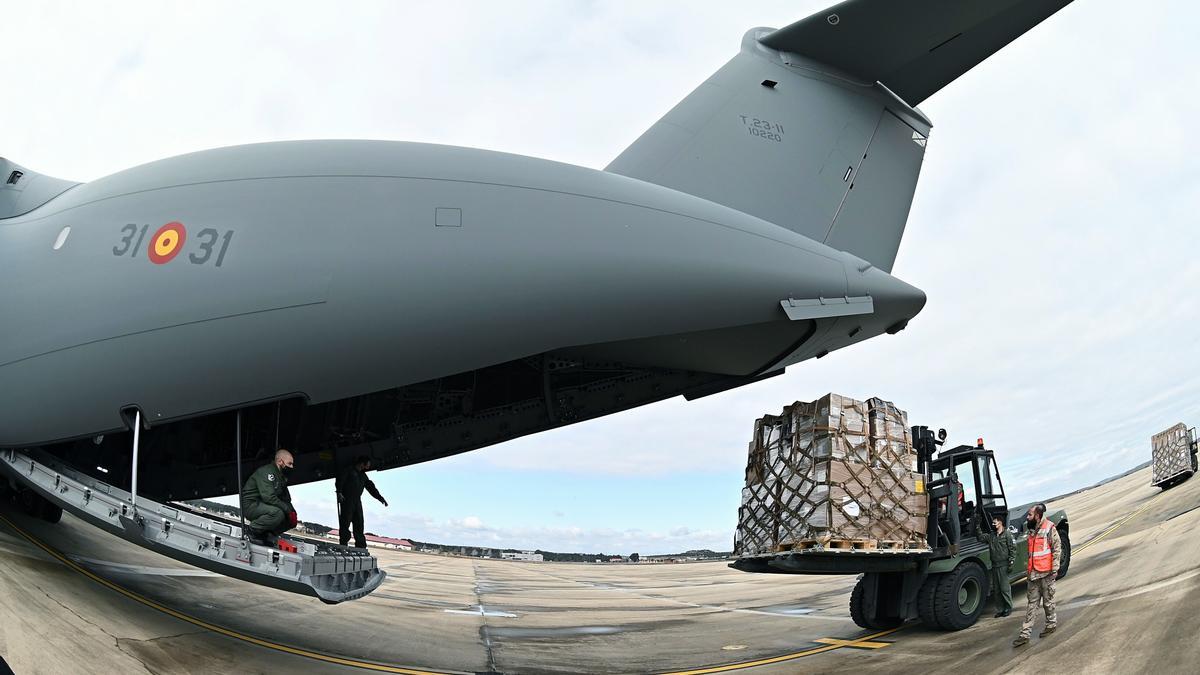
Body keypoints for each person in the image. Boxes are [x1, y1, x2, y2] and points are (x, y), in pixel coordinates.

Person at [1013, 503, 1062, 646]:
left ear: (1037, 516)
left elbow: (1056, 549)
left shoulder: (1049, 528)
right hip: (1033, 574)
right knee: (1032, 605)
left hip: (1046, 574)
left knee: (1048, 602)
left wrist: (1055, 569)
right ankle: (1025, 634)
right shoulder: (1030, 530)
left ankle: (1051, 625)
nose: (1027, 517)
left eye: (1029, 515)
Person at [240, 448, 297, 546]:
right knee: (278, 513)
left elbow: (286, 498)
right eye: (289, 464)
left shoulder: (280, 476)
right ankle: (252, 531)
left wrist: (292, 512)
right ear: (280, 461)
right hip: (251, 505)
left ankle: (266, 534)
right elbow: (269, 497)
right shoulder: (267, 473)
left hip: (264, 505)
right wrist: (287, 509)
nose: (292, 467)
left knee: (290, 519)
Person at [336, 455, 389, 548]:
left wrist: (380, 498)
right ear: (362, 463)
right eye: (367, 464)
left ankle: (361, 545)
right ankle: (343, 543)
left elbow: (371, 488)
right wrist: (339, 492)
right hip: (347, 500)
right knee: (345, 523)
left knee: (359, 523)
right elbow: (340, 480)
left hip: (357, 501)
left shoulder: (363, 475)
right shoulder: (349, 470)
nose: (368, 466)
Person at [978, 514, 1015, 617]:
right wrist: (977, 526)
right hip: (995, 566)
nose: (993, 524)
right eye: (993, 522)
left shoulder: (1007, 534)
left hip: (1004, 565)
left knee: (1004, 588)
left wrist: (1011, 562)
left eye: (995, 522)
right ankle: (1000, 609)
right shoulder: (991, 536)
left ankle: (1008, 608)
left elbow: (1012, 549)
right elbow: (980, 538)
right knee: (997, 590)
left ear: (1000, 522)